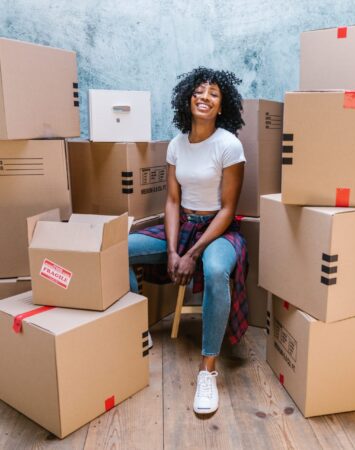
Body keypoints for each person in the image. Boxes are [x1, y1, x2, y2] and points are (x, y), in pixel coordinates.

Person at [128, 67, 248, 415]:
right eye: (199, 91)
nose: (204, 97)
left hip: (219, 230)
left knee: (214, 270)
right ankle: (136, 330)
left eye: (213, 93)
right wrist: (171, 250)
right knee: (117, 250)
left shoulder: (229, 144)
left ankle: (207, 371)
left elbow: (228, 209)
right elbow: (172, 202)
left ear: (222, 105)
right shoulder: (176, 144)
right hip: (183, 226)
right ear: (188, 98)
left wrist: (191, 253)